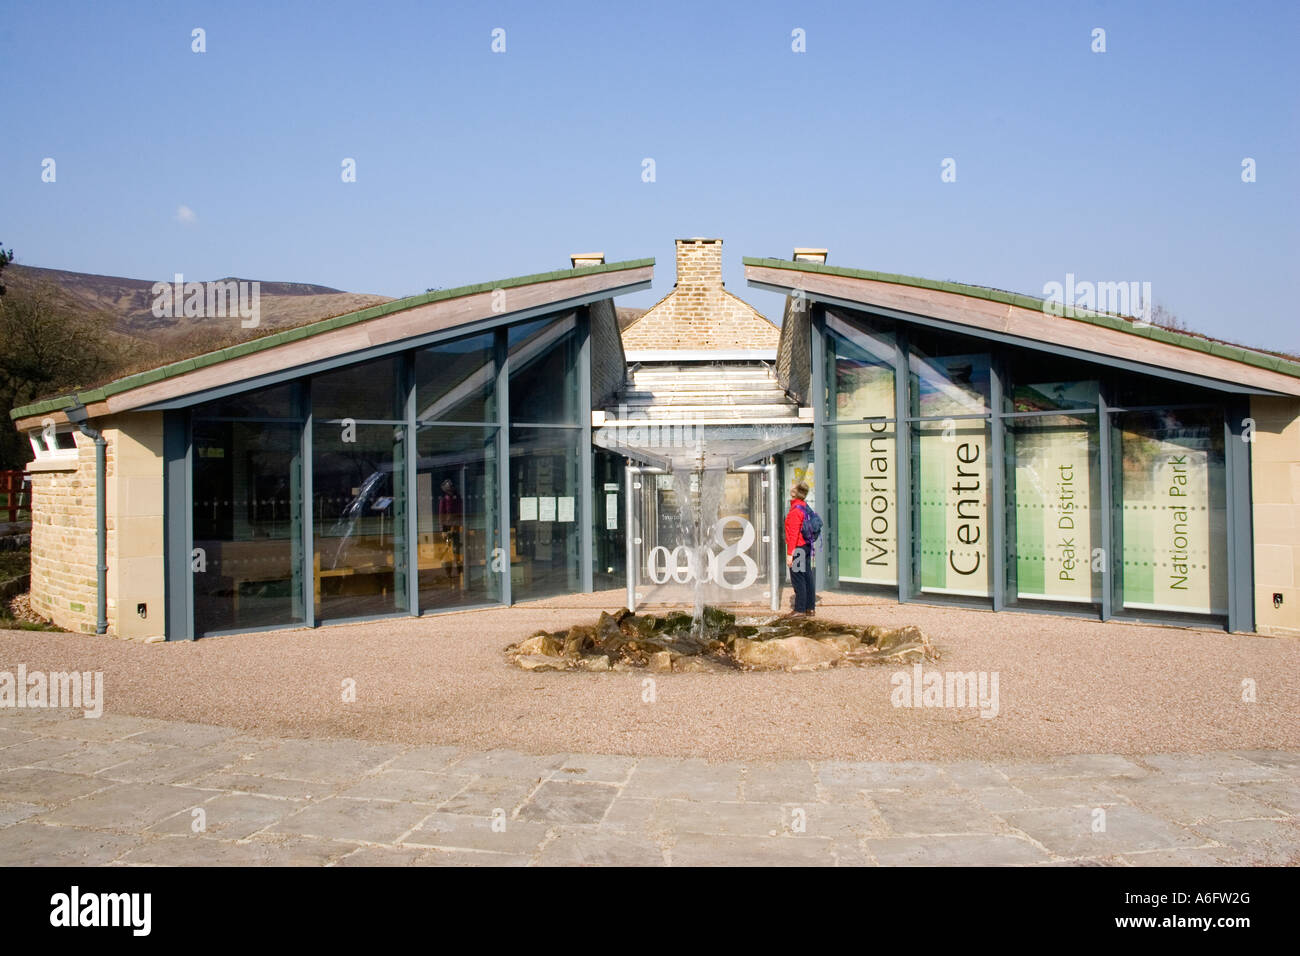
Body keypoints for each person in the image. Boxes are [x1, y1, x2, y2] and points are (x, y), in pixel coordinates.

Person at [784, 480, 815, 616]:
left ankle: (800, 609)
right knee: (807, 576)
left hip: (798, 548)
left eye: (793, 486)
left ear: (795, 492)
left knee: (798, 578)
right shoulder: (803, 506)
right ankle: (810, 607)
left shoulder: (795, 510)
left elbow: (793, 533)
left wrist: (790, 554)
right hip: (806, 546)